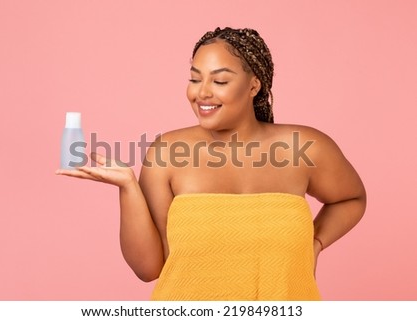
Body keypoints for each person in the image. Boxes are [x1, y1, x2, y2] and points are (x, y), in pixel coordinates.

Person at [56, 27, 366, 300]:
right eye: (194, 78)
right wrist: (127, 186)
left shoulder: (305, 147)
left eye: (219, 80)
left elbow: (351, 198)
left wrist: (316, 240)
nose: (201, 92)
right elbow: (149, 268)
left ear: (254, 86)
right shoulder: (167, 153)